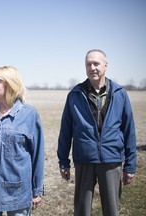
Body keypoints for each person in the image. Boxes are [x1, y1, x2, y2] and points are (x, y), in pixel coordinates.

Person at [57, 49, 136, 216]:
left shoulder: (119, 94)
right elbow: (66, 130)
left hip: (111, 159)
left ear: (105, 66)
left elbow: (129, 130)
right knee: (81, 210)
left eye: (96, 63)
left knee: (111, 210)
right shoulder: (75, 94)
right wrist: (63, 161)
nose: (92, 67)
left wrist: (130, 165)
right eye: (88, 64)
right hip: (84, 159)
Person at [0, 66, 45, 216]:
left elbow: (38, 155)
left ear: (10, 84)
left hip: (18, 191)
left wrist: (37, 189)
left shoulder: (29, 115)